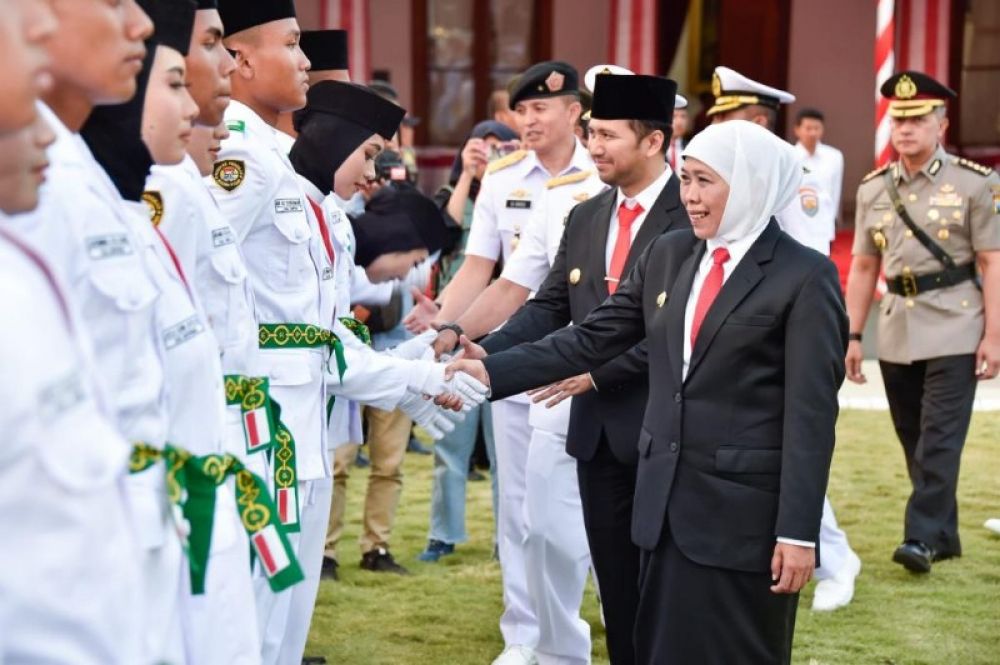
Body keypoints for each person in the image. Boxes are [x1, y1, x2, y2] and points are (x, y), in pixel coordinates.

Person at [451, 119, 848, 664]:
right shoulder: (671, 253)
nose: (690, 196)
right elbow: (593, 336)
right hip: (661, 510)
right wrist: (491, 371)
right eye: (686, 179)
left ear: (751, 183)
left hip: (742, 522)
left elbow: (811, 417)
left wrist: (799, 533)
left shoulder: (805, 277)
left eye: (706, 181)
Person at [440, 71, 688, 665]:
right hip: (593, 423)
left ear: (653, 142)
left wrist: (597, 375)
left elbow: (673, 332)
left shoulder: (690, 215)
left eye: (607, 135)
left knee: (664, 577)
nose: (593, 146)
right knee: (603, 566)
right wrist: (487, 351)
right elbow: (550, 304)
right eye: (591, 133)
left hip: (665, 424)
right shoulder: (585, 214)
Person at [432, 60, 591, 665]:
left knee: (593, 495)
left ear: (575, 111)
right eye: (520, 110)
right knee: (521, 504)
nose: (528, 120)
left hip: (589, 356)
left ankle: (595, 607)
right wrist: (448, 333)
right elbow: (485, 272)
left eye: (540, 109)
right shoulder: (502, 178)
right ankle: (524, 632)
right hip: (516, 351)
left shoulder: (604, 173)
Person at [707, 65, 861, 611]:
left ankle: (835, 560)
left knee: (788, 446)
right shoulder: (721, 170)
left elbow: (809, 259)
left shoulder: (792, 172)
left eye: (729, 120)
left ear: (756, 120)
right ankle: (828, 556)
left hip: (776, 331)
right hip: (726, 329)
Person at [845, 71, 1000, 574]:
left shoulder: (974, 182)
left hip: (957, 321)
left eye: (917, 119)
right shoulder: (874, 188)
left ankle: (920, 539)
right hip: (894, 328)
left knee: (939, 437)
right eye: (898, 119)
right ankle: (945, 533)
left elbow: (992, 262)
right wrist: (852, 334)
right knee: (912, 434)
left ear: (941, 124)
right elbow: (865, 266)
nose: (905, 129)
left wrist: (994, 335)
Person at [413, 120, 518, 564]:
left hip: (508, 333)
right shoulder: (457, 196)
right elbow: (445, 234)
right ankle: (443, 533)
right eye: (483, 147)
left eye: (501, 148)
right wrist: (470, 176)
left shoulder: (522, 196)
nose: (492, 156)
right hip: (456, 328)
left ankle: (505, 539)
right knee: (450, 445)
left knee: (508, 454)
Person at [793, 108, 844, 253]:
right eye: (808, 128)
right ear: (797, 129)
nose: (813, 133)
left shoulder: (834, 156)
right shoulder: (789, 156)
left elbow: (835, 190)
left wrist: (833, 221)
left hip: (823, 223)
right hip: (796, 225)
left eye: (817, 128)